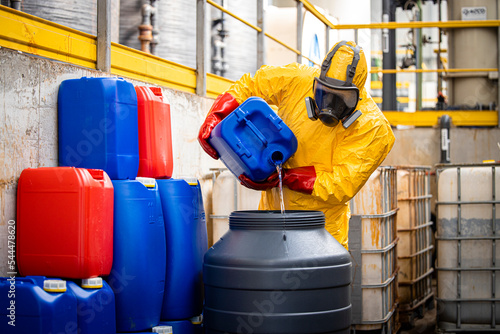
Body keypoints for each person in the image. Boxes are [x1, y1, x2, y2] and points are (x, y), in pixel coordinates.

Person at [198, 40, 395, 249]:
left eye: (341, 98)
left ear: (358, 95)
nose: (329, 105)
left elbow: (340, 184)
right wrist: (217, 115)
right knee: (268, 277)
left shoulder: (373, 128)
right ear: (317, 81)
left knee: (317, 280)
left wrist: (283, 177)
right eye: (324, 92)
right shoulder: (299, 80)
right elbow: (253, 84)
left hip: (322, 232)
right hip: (272, 219)